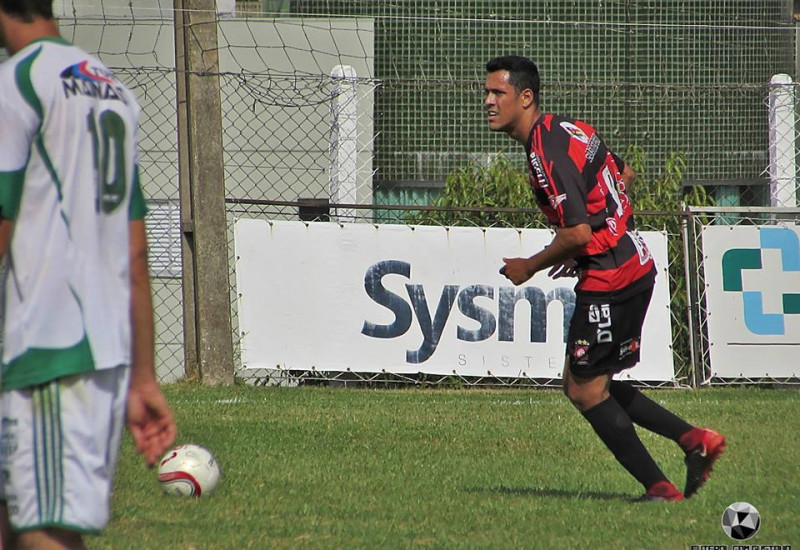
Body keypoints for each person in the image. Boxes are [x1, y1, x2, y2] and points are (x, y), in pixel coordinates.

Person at [486, 55, 725, 502]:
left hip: (611, 278)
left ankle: (661, 486)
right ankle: (694, 442)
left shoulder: (543, 151)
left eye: (498, 93)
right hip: (633, 261)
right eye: (487, 92)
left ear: (525, 97)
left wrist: (531, 265)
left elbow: (574, 230)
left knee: (581, 388)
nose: (488, 101)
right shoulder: (569, 128)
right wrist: (587, 243)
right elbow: (622, 175)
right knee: (593, 382)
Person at [0, 1, 177, 548]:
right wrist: (143, 377)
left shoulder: (19, 82)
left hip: (49, 350)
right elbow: (135, 247)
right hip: (96, 354)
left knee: (44, 529)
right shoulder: (112, 89)